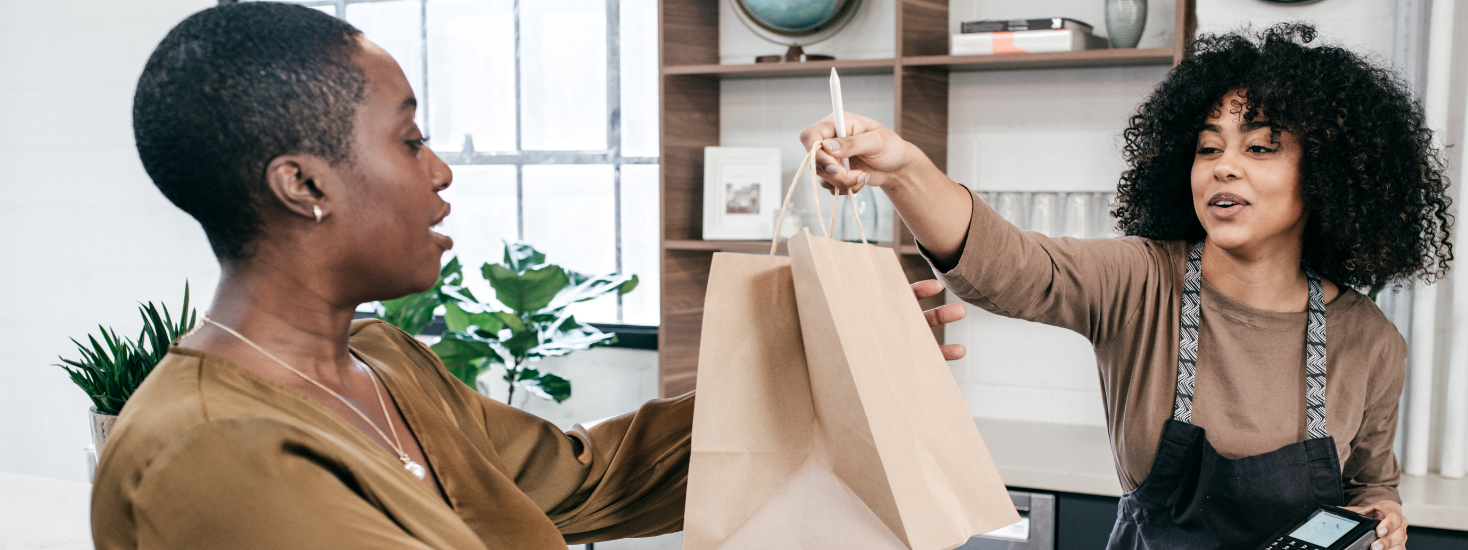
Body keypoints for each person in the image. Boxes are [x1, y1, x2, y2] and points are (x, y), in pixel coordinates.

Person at [92, 4, 967, 548]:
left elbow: (586, 479)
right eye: (409, 139)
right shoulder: (210, 449)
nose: (439, 172)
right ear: (303, 184)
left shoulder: (389, 362)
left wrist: (834, 365)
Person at [802, 24, 1453, 550]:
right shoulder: (1145, 282)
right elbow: (1011, 267)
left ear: (1330, 176)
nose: (1224, 165)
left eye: (1259, 149)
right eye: (1207, 148)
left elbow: (1371, 481)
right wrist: (905, 172)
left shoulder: (1370, 341)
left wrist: (1383, 517)